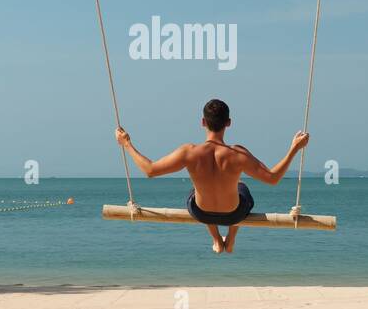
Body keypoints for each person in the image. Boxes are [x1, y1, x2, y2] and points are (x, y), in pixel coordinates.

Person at [115, 99, 309, 254]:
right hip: (235, 214)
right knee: (242, 188)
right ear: (229, 123)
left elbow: (149, 170)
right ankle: (230, 237)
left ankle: (216, 238)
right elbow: (273, 178)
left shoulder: (189, 153)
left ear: (203, 122)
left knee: (196, 190)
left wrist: (127, 144)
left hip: (201, 213)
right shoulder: (237, 154)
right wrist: (294, 149)